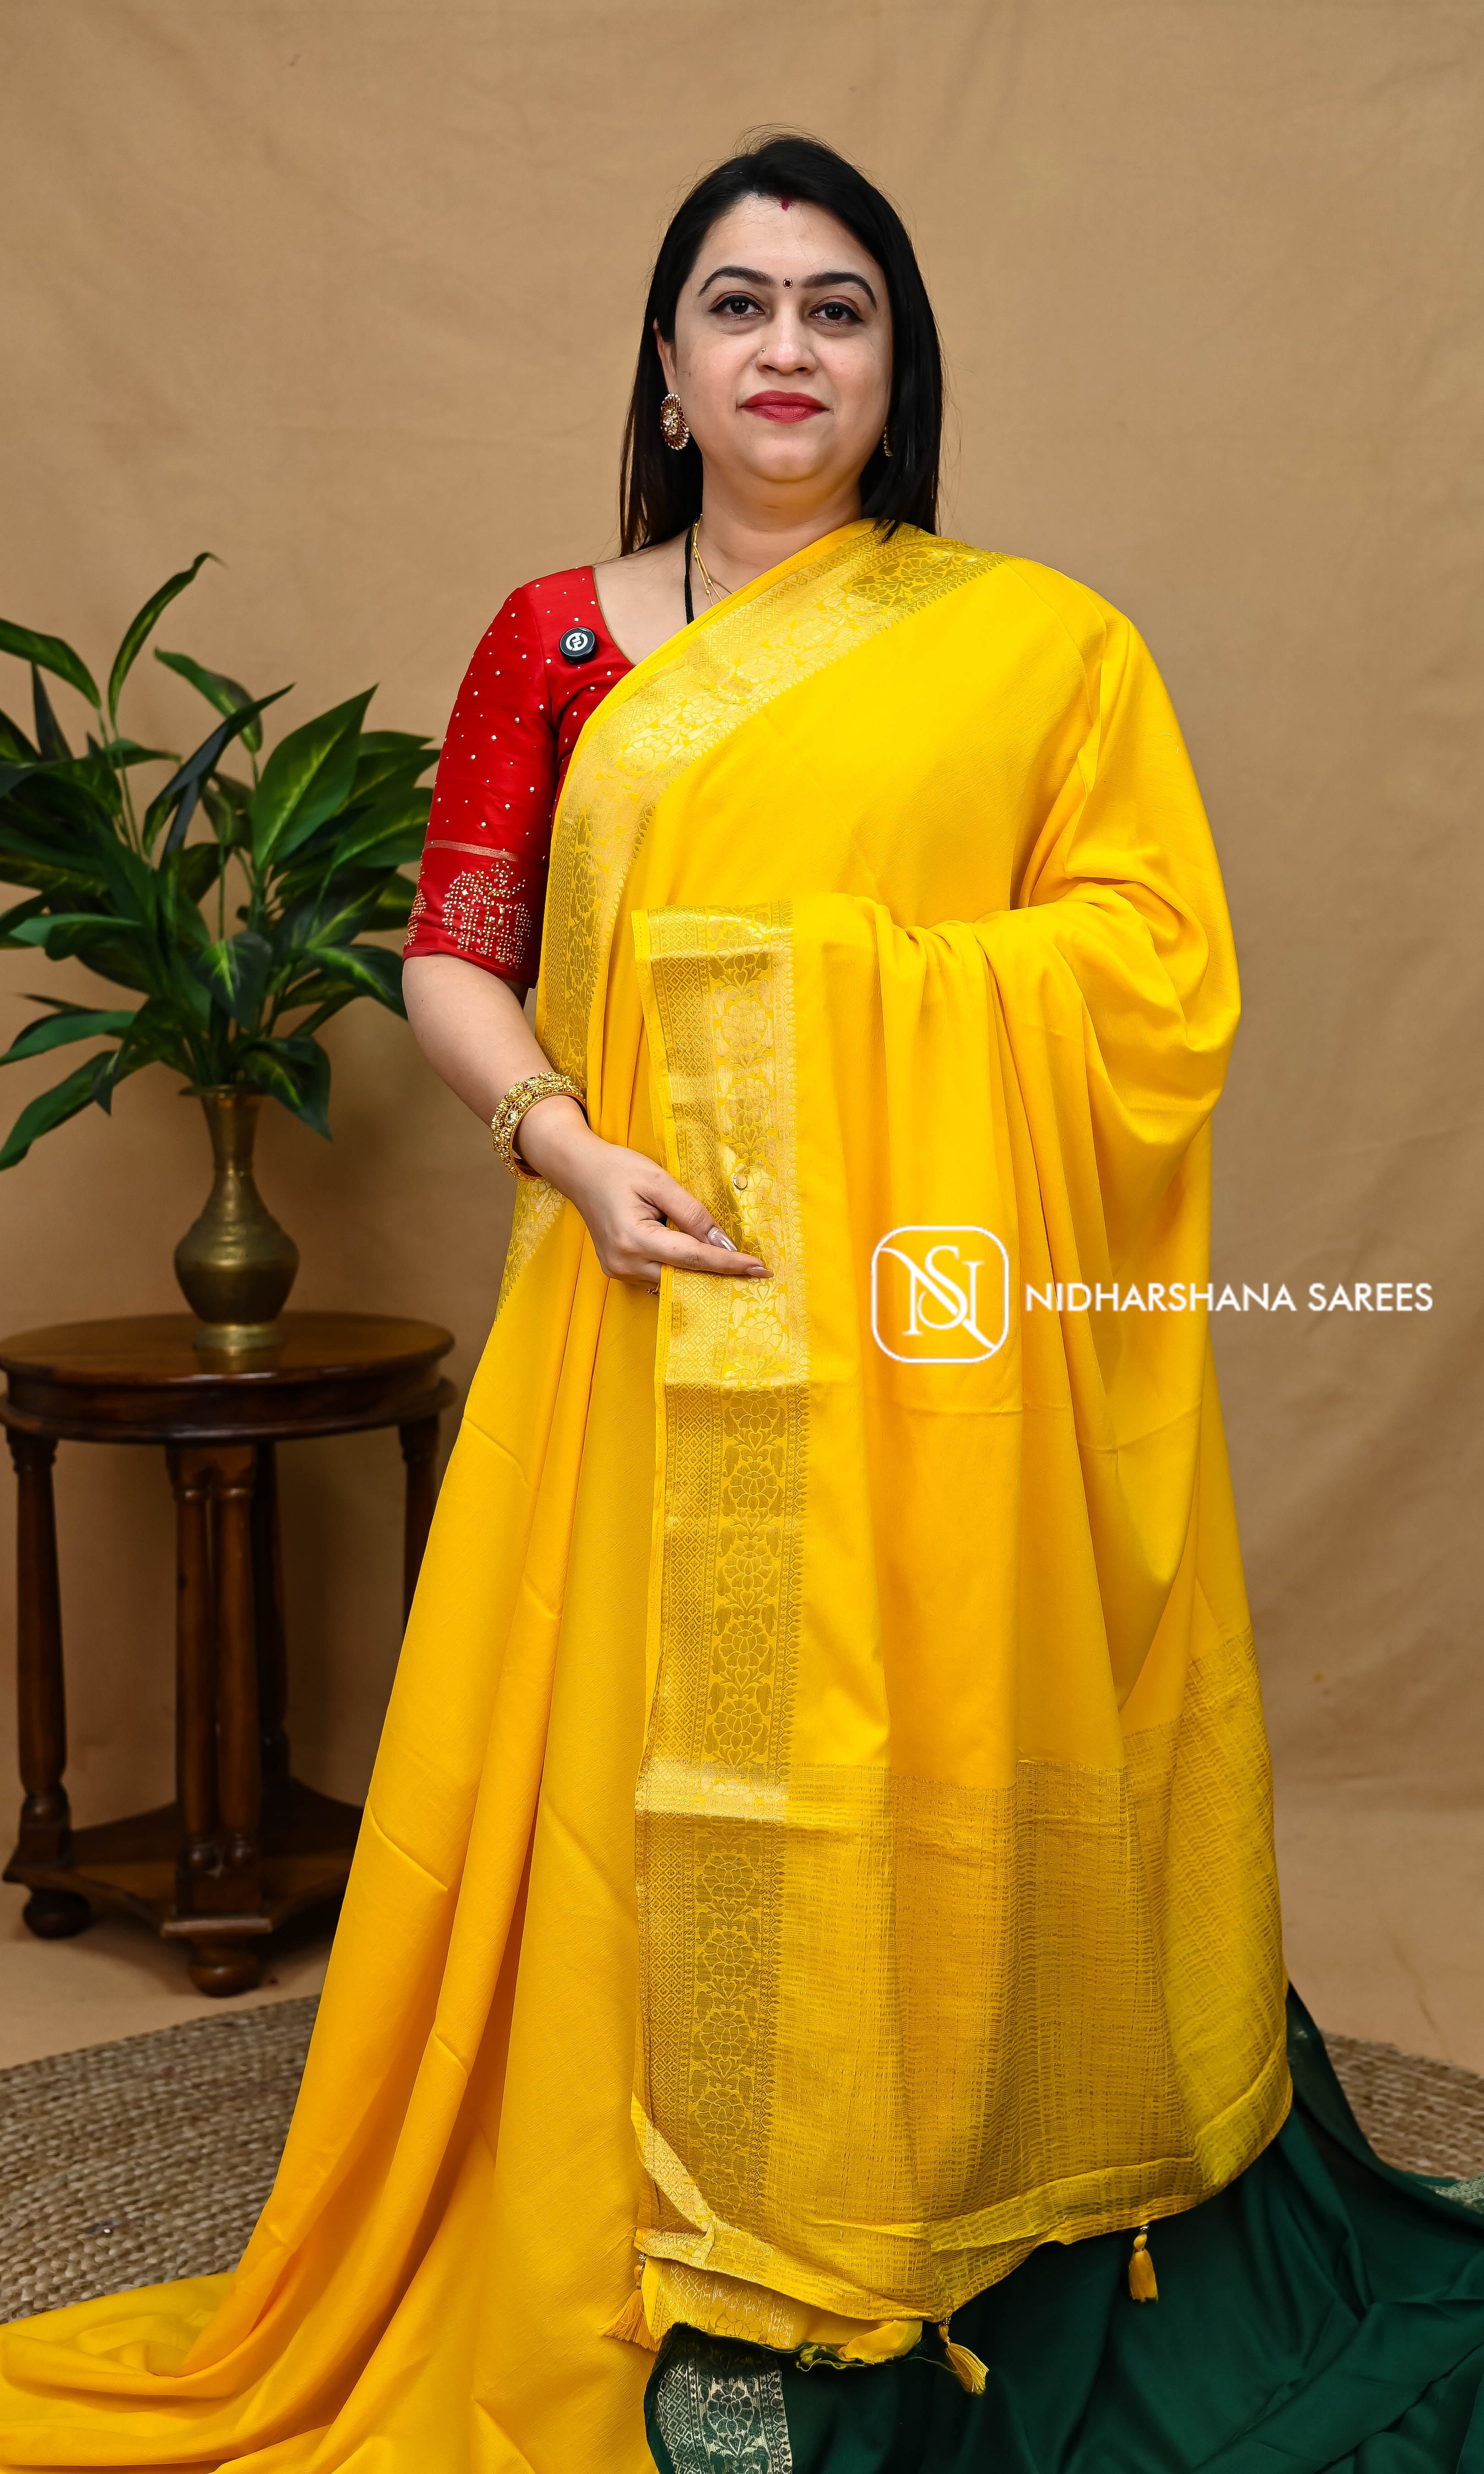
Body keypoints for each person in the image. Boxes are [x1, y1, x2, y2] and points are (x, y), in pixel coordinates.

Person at [5, 130, 1484, 2474]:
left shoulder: (1040, 648)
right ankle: (638, 2230)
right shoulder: (559, 641)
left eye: (837, 306)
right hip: (642, 1308)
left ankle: (929, 2183)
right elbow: (458, 955)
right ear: (670, 364)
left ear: (898, 368)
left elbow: (1153, 975)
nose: (787, 346)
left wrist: (842, 1015)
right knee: (627, 1790)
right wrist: (564, 1145)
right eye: (739, 303)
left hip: (927, 1336)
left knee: (927, 1736)